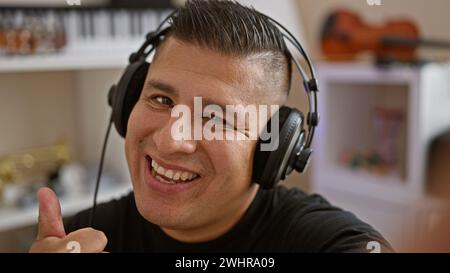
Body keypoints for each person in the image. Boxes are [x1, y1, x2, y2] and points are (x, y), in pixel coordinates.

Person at [29, 0, 392, 253]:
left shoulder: (323, 239)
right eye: (162, 100)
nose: (172, 139)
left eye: (215, 117)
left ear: (273, 148)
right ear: (127, 102)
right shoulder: (81, 235)